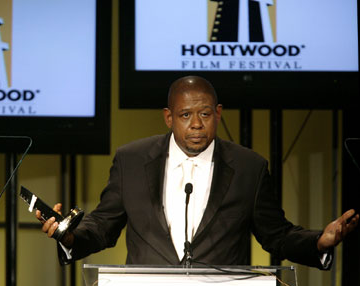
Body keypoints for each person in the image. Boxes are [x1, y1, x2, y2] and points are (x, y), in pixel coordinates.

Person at [37, 75, 358, 268]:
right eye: (185, 114)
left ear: (218, 114)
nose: (195, 124)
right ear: (168, 117)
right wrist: (69, 235)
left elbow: (277, 236)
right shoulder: (131, 160)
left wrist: (320, 241)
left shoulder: (249, 167)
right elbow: (104, 227)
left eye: (204, 113)